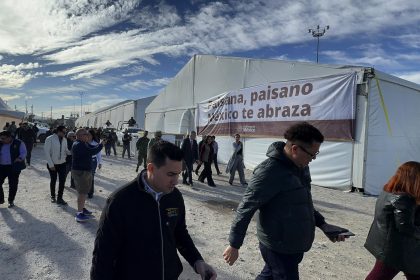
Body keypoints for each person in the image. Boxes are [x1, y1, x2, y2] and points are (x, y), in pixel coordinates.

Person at [223, 122, 350, 280]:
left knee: (268, 275)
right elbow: (245, 208)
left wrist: (323, 224)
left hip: (293, 243)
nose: (313, 159)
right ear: (295, 149)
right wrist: (234, 245)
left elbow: (302, 202)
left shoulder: (301, 166)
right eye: (312, 154)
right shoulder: (268, 172)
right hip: (278, 247)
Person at [90, 141, 217, 280]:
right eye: (170, 174)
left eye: (178, 174)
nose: (176, 181)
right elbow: (103, 255)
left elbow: (179, 232)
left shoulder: (174, 196)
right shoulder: (120, 201)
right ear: (151, 168)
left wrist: (197, 261)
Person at [364, 161, 420, 280]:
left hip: (390, 245)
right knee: (379, 276)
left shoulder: (388, 192)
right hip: (395, 249)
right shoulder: (403, 198)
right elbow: (405, 226)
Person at [72, 128, 104, 222]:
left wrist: (99, 144)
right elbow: (92, 151)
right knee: (82, 193)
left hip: (84, 171)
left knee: (84, 192)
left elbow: (91, 148)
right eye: (86, 134)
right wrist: (101, 145)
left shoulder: (83, 143)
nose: (88, 135)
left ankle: (82, 209)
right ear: (81, 136)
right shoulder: (79, 144)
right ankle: (79, 214)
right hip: (81, 172)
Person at [44, 125, 71, 205]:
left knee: (62, 181)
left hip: (62, 163)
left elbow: (65, 150)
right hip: (53, 164)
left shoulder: (65, 140)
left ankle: (60, 198)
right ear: (58, 131)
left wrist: (70, 152)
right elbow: (46, 152)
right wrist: (51, 164)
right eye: (63, 132)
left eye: (65, 132)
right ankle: (53, 196)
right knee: (53, 180)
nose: (64, 133)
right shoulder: (50, 139)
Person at [0, 130, 27, 208]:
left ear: (9, 137)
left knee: (13, 184)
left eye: (3, 138)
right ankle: (1, 199)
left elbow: (24, 152)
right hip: (2, 166)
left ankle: (10, 201)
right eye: (1, 138)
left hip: (14, 167)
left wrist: (20, 158)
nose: (1, 140)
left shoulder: (18, 143)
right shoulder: (0, 143)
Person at [87, 129, 102, 199]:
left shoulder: (95, 143)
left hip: (93, 161)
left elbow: (99, 154)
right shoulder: (84, 142)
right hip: (85, 161)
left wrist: (100, 163)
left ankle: (90, 192)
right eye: (87, 134)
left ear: (92, 136)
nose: (87, 136)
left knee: (91, 177)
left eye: (89, 135)